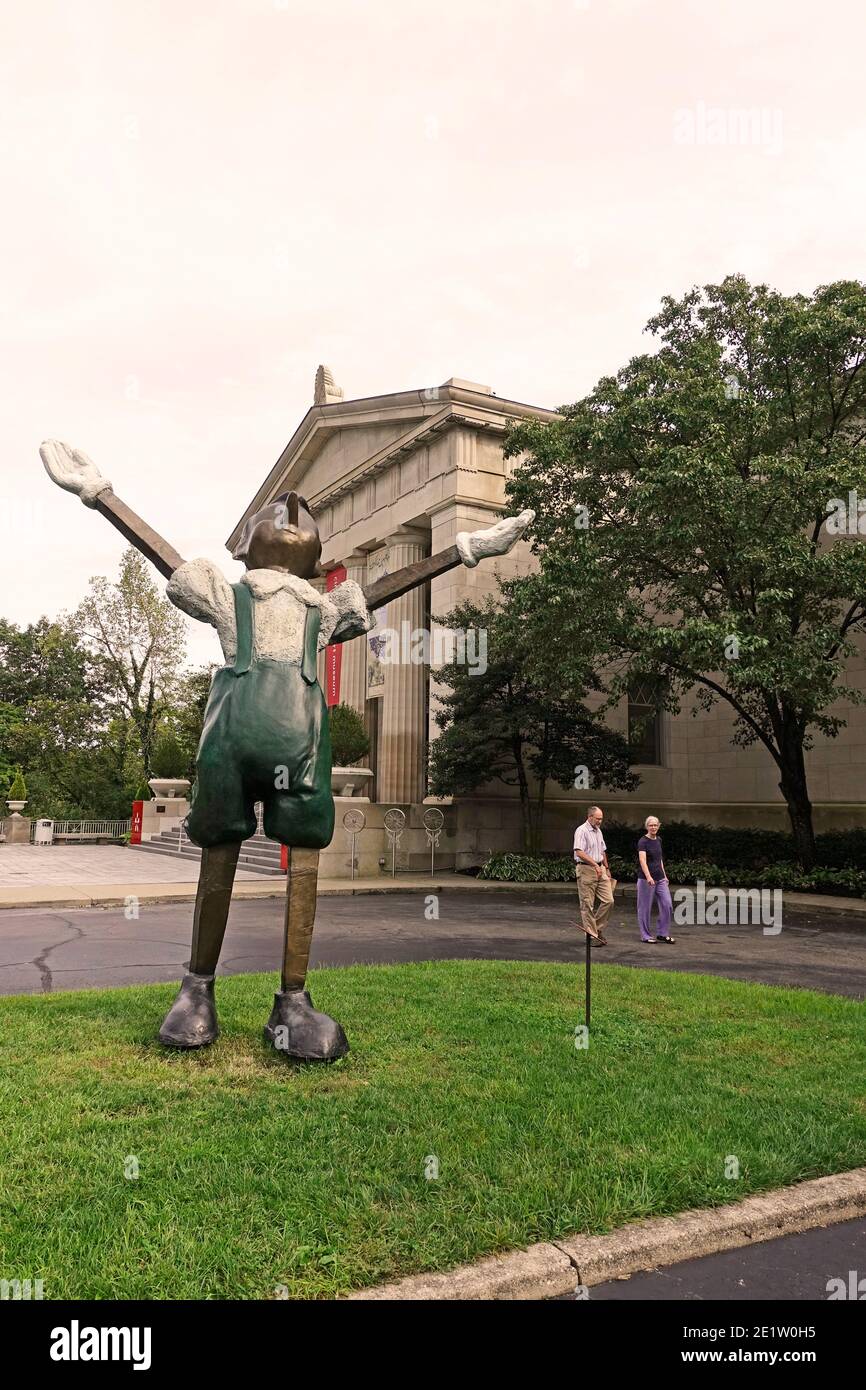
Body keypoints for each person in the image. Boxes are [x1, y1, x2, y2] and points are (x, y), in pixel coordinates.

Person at [573, 805, 614, 946]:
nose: (600, 821)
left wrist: (606, 868)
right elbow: (579, 852)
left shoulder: (598, 831)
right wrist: (595, 865)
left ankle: (595, 929)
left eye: (601, 819)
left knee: (609, 901)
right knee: (587, 905)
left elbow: (602, 851)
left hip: (600, 869)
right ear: (590, 817)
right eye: (598, 818)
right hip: (586, 870)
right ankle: (592, 936)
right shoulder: (581, 831)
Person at [637, 815, 675, 944]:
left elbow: (659, 859)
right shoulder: (643, 841)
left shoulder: (658, 839)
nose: (653, 827)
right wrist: (648, 877)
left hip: (660, 878)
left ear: (659, 826)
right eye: (650, 825)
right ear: (647, 826)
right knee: (645, 908)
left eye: (655, 825)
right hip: (646, 879)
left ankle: (662, 933)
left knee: (667, 904)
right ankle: (645, 935)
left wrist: (664, 875)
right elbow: (642, 860)